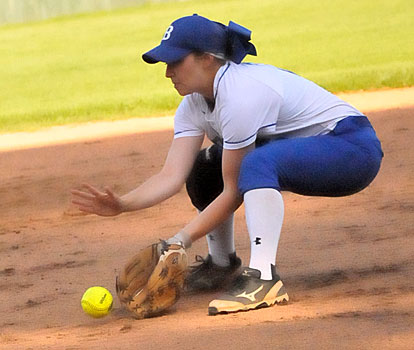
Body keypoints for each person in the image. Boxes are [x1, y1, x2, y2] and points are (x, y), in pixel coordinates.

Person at [71, 14, 383, 316]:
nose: (168, 72)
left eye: (175, 61)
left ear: (207, 58)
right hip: (312, 151)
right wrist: (123, 204)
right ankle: (221, 263)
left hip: (351, 150)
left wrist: (177, 241)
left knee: (257, 163)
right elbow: (171, 175)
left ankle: (263, 277)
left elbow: (234, 190)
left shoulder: (240, 96)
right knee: (204, 166)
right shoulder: (193, 104)